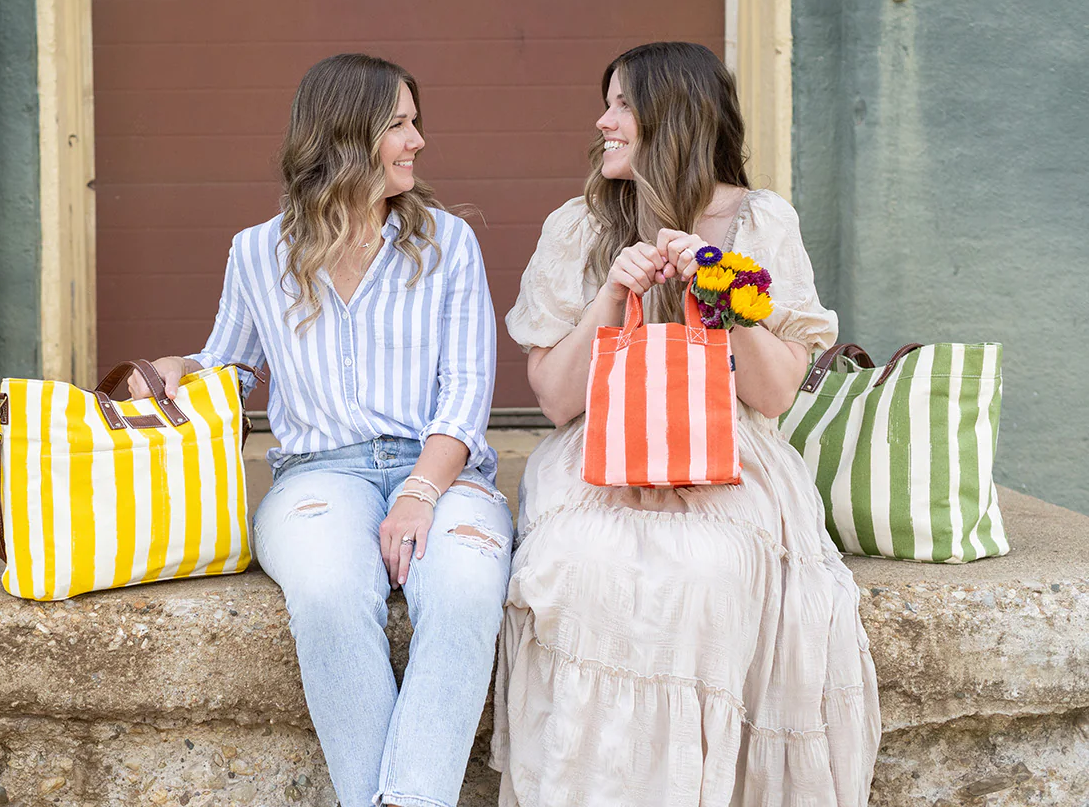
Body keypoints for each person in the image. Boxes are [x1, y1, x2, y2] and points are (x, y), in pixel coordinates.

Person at [491, 42, 881, 806]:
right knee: (577, 565)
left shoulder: (760, 221)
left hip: (726, 448)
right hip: (603, 444)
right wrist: (610, 295)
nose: (603, 121)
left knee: (707, 575)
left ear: (672, 116)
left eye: (621, 104)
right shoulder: (580, 224)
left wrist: (722, 285)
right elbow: (555, 401)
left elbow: (773, 394)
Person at [131, 53, 513, 807]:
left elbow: (467, 394)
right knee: (333, 591)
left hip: (444, 470)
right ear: (348, 136)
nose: (418, 141)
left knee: (468, 589)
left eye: (415, 122)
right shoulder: (258, 252)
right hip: (317, 476)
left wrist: (420, 492)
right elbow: (230, 366)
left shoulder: (446, 245)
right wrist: (182, 365)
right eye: (399, 125)